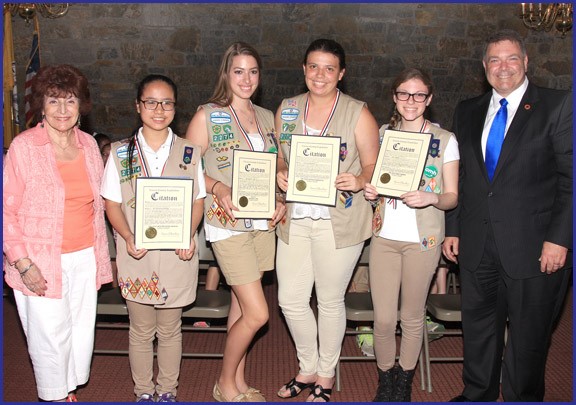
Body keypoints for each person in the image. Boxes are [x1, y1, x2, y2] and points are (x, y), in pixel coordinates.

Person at [442, 29, 572, 402]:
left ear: (526, 62)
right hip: (477, 243)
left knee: (529, 337)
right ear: (484, 67)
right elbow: (462, 175)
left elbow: (571, 180)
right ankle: (477, 393)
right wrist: (454, 228)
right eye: (495, 60)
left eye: (512, 58)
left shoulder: (559, 105)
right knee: (479, 328)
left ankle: (521, 398)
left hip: (536, 247)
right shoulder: (467, 109)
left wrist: (561, 238)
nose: (503, 67)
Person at [275, 38, 380, 402]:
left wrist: (361, 180)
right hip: (296, 218)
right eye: (313, 66)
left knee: (331, 300)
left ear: (342, 74)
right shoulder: (288, 108)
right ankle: (307, 365)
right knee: (290, 299)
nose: (320, 75)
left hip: (340, 220)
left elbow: (372, 165)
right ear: (304, 69)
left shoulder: (357, 112)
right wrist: (282, 169)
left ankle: (325, 374)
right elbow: (279, 155)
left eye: (329, 68)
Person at [3, 64, 113, 402]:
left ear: (81, 106)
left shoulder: (89, 147)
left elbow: (100, 207)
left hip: (84, 257)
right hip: (39, 260)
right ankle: (54, 396)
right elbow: (6, 210)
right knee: (48, 337)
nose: (62, 110)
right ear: (41, 106)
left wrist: (105, 254)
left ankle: (66, 392)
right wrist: (22, 263)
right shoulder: (24, 147)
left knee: (79, 334)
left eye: (70, 101)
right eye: (53, 101)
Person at [185, 42, 285, 403]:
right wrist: (216, 185)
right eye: (239, 71)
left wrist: (280, 199)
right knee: (259, 313)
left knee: (242, 307)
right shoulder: (207, 116)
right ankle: (224, 383)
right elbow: (186, 169)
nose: (247, 79)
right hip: (227, 224)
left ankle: (240, 381)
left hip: (261, 223)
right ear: (226, 73)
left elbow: (273, 169)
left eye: (253, 71)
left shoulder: (266, 116)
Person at [101, 74, 206, 402]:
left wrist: (189, 233)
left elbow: (198, 200)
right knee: (142, 331)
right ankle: (144, 392)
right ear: (138, 106)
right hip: (138, 255)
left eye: (167, 103)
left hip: (177, 256)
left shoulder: (190, 152)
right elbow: (111, 203)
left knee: (171, 330)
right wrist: (128, 235)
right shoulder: (121, 153)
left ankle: (167, 391)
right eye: (151, 102)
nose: (159, 109)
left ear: (175, 107)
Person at [363, 68, 459, 402]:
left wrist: (432, 197)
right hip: (384, 236)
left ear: (429, 99)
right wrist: (370, 191)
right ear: (394, 96)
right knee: (385, 318)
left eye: (419, 95)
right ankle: (385, 375)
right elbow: (372, 178)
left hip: (423, 239)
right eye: (404, 93)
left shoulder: (444, 140)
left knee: (412, 315)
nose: (411, 101)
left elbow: (452, 196)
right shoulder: (383, 133)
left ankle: (403, 379)